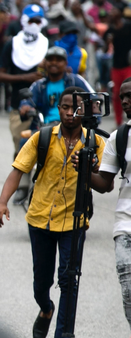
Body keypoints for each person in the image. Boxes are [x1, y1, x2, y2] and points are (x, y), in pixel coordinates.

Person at [0, 87, 105, 338]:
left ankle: (63, 334)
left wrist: (89, 169)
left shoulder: (95, 142)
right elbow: (18, 171)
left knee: (69, 280)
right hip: (40, 218)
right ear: (58, 108)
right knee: (41, 284)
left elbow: (105, 185)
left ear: (84, 111)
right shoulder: (41, 137)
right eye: (65, 107)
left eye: (75, 108)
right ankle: (46, 309)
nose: (69, 113)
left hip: (74, 221)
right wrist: (2, 203)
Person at [84, 78, 131, 333]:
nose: (124, 101)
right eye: (122, 97)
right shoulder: (120, 136)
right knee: (129, 295)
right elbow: (104, 183)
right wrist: (83, 169)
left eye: (130, 96)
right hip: (126, 223)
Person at [0, 4, 48, 196]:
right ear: (23, 21)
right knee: (21, 145)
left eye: (37, 21)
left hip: (45, 106)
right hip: (19, 107)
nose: (34, 25)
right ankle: (22, 185)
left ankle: (40, 186)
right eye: (30, 20)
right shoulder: (13, 44)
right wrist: (24, 79)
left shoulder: (47, 44)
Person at [20, 47, 93, 126]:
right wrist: (26, 107)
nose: (54, 63)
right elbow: (27, 102)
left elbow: (93, 99)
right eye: (50, 60)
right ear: (45, 63)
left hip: (74, 127)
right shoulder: (39, 85)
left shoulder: (75, 81)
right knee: (24, 138)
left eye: (58, 60)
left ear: (65, 63)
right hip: (45, 127)